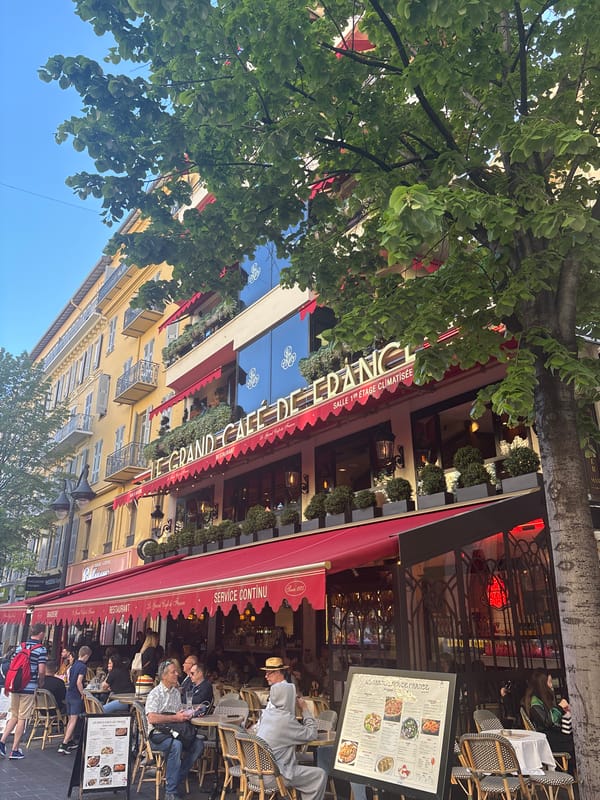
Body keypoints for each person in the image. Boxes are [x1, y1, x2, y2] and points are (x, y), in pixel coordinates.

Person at [256, 680, 327, 800]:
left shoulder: (266, 715)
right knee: (319, 775)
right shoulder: (285, 720)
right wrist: (305, 709)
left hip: (256, 774)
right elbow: (312, 734)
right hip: (275, 776)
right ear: (288, 698)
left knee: (299, 764)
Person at [145, 659, 205, 800]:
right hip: (157, 734)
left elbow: (179, 714)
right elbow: (152, 718)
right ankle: (170, 791)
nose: (177, 674)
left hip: (175, 732)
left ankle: (176, 779)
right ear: (164, 676)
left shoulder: (176, 693)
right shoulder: (155, 693)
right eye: (173, 672)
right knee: (176, 745)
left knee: (198, 744)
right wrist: (176, 718)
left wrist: (191, 713)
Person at [0, 622, 48, 760]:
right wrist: (40, 682)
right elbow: (42, 670)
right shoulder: (41, 649)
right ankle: (15, 749)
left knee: (14, 715)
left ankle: (2, 741)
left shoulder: (20, 647)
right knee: (22, 718)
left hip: (15, 686)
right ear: (41, 633)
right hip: (29, 687)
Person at [523, 668, 575, 764]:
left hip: (550, 736)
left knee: (574, 737)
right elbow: (548, 722)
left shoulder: (541, 699)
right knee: (575, 743)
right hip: (546, 739)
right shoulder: (535, 702)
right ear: (542, 684)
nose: (551, 686)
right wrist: (559, 707)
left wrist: (563, 711)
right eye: (550, 682)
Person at [58, 645, 92, 754]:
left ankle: (68, 741)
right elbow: (79, 681)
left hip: (69, 693)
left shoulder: (73, 665)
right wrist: (83, 693)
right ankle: (64, 744)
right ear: (86, 656)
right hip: (76, 695)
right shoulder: (82, 666)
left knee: (70, 720)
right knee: (73, 720)